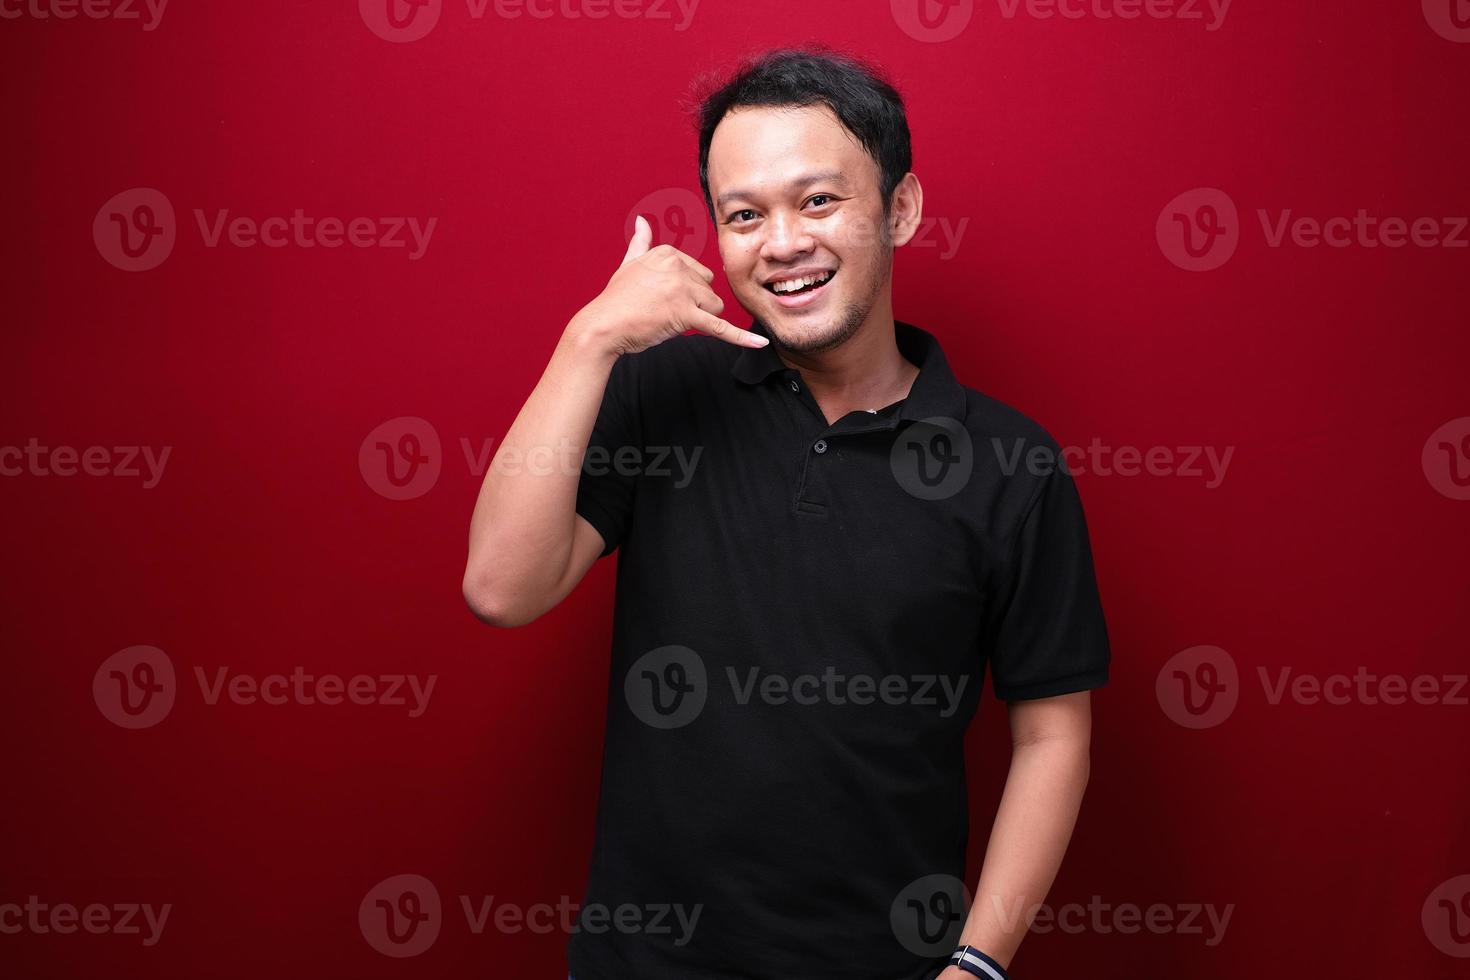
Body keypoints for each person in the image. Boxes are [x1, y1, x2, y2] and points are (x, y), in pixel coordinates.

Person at [463, 46, 1110, 980]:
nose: (781, 243)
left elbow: (1054, 734)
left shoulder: (1013, 465)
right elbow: (499, 588)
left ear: (900, 208)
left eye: (818, 201)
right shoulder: (662, 393)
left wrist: (980, 965)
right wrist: (590, 337)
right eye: (743, 215)